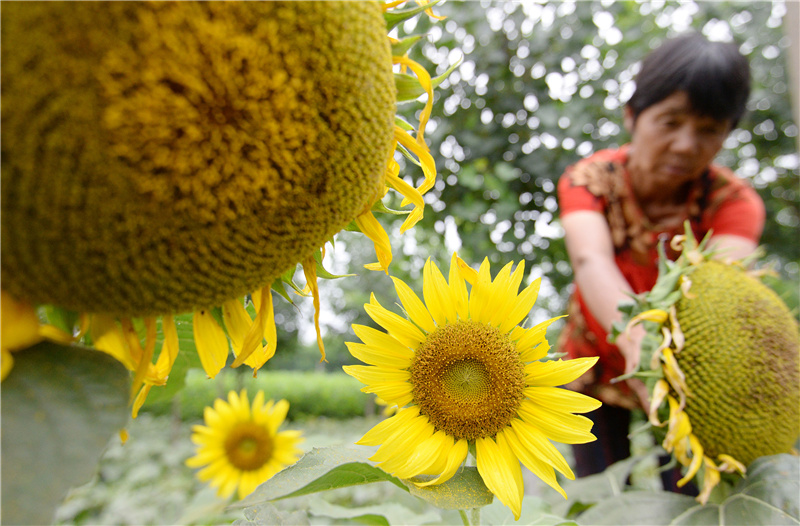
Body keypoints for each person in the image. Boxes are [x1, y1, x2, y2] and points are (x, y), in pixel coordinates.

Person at [555, 33, 766, 489]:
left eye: (709, 130)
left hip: (683, 373)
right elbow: (590, 260)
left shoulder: (734, 203)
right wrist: (637, 341)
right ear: (632, 115)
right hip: (592, 363)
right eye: (670, 122)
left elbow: (718, 293)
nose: (686, 145)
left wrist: (662, 366)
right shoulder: (588, 180)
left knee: (687, 496)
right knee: (601, 496)